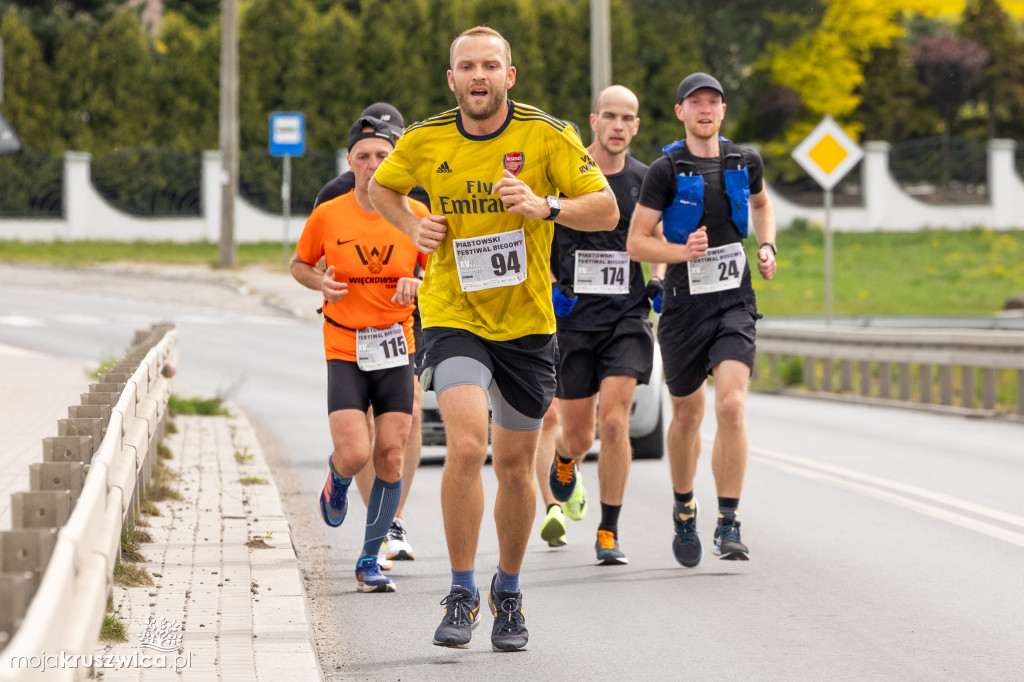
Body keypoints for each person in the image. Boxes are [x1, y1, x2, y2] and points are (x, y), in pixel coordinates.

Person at [369, 26, 617, 651]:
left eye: (490, 65)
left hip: (528, 324)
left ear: (511, 75)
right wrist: (415, 226)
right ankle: (461, 589)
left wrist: (545, 207)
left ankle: (508, 591)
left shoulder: (546, 134)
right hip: (453, 313)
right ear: (451, 79)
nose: (478, 76)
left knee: (512, 466)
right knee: (465, 445)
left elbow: (607, 208)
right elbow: (381, 188)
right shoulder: (426, 138)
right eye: (466, 67)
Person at [626, 72, 777, 567]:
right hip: (683, 308)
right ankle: (684, 507)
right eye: (696, 102)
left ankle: (728, 520)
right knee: (688, 414)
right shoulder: (666, 170)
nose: (705, 109)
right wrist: (678, 251)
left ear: (723, 111)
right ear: (681, 113)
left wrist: (767, 244)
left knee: (731, 406)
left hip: (733, 300)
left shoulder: (744, 161)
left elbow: (760, 203)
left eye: (713, 101)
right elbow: (637, 242)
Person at [291, 114, 429, 593]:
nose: (373, 165)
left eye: (382, 157)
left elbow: (439, 272)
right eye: (364, 157)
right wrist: (320, 281)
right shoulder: (329, 213)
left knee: (390, 456)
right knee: (354, 453)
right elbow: (299, 263)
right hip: (345, 345)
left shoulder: (415, 214)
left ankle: (369, 560)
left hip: (397, 345)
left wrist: (420, 282)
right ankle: (337, 477)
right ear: (349, 162)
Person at [538, 85, 664, 565]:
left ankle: (608, 531)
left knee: (614, 422)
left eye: (626, 118)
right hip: (574, 322)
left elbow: (659, 236)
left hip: (628, 318)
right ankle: (566, 461)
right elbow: (539, 237)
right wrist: (551, 287)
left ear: (636, 126)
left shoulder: (647, 180)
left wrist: (657, 281)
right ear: (593, 120)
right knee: (579, 435)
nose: (617, 125)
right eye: (609, 116)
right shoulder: (569, 175)